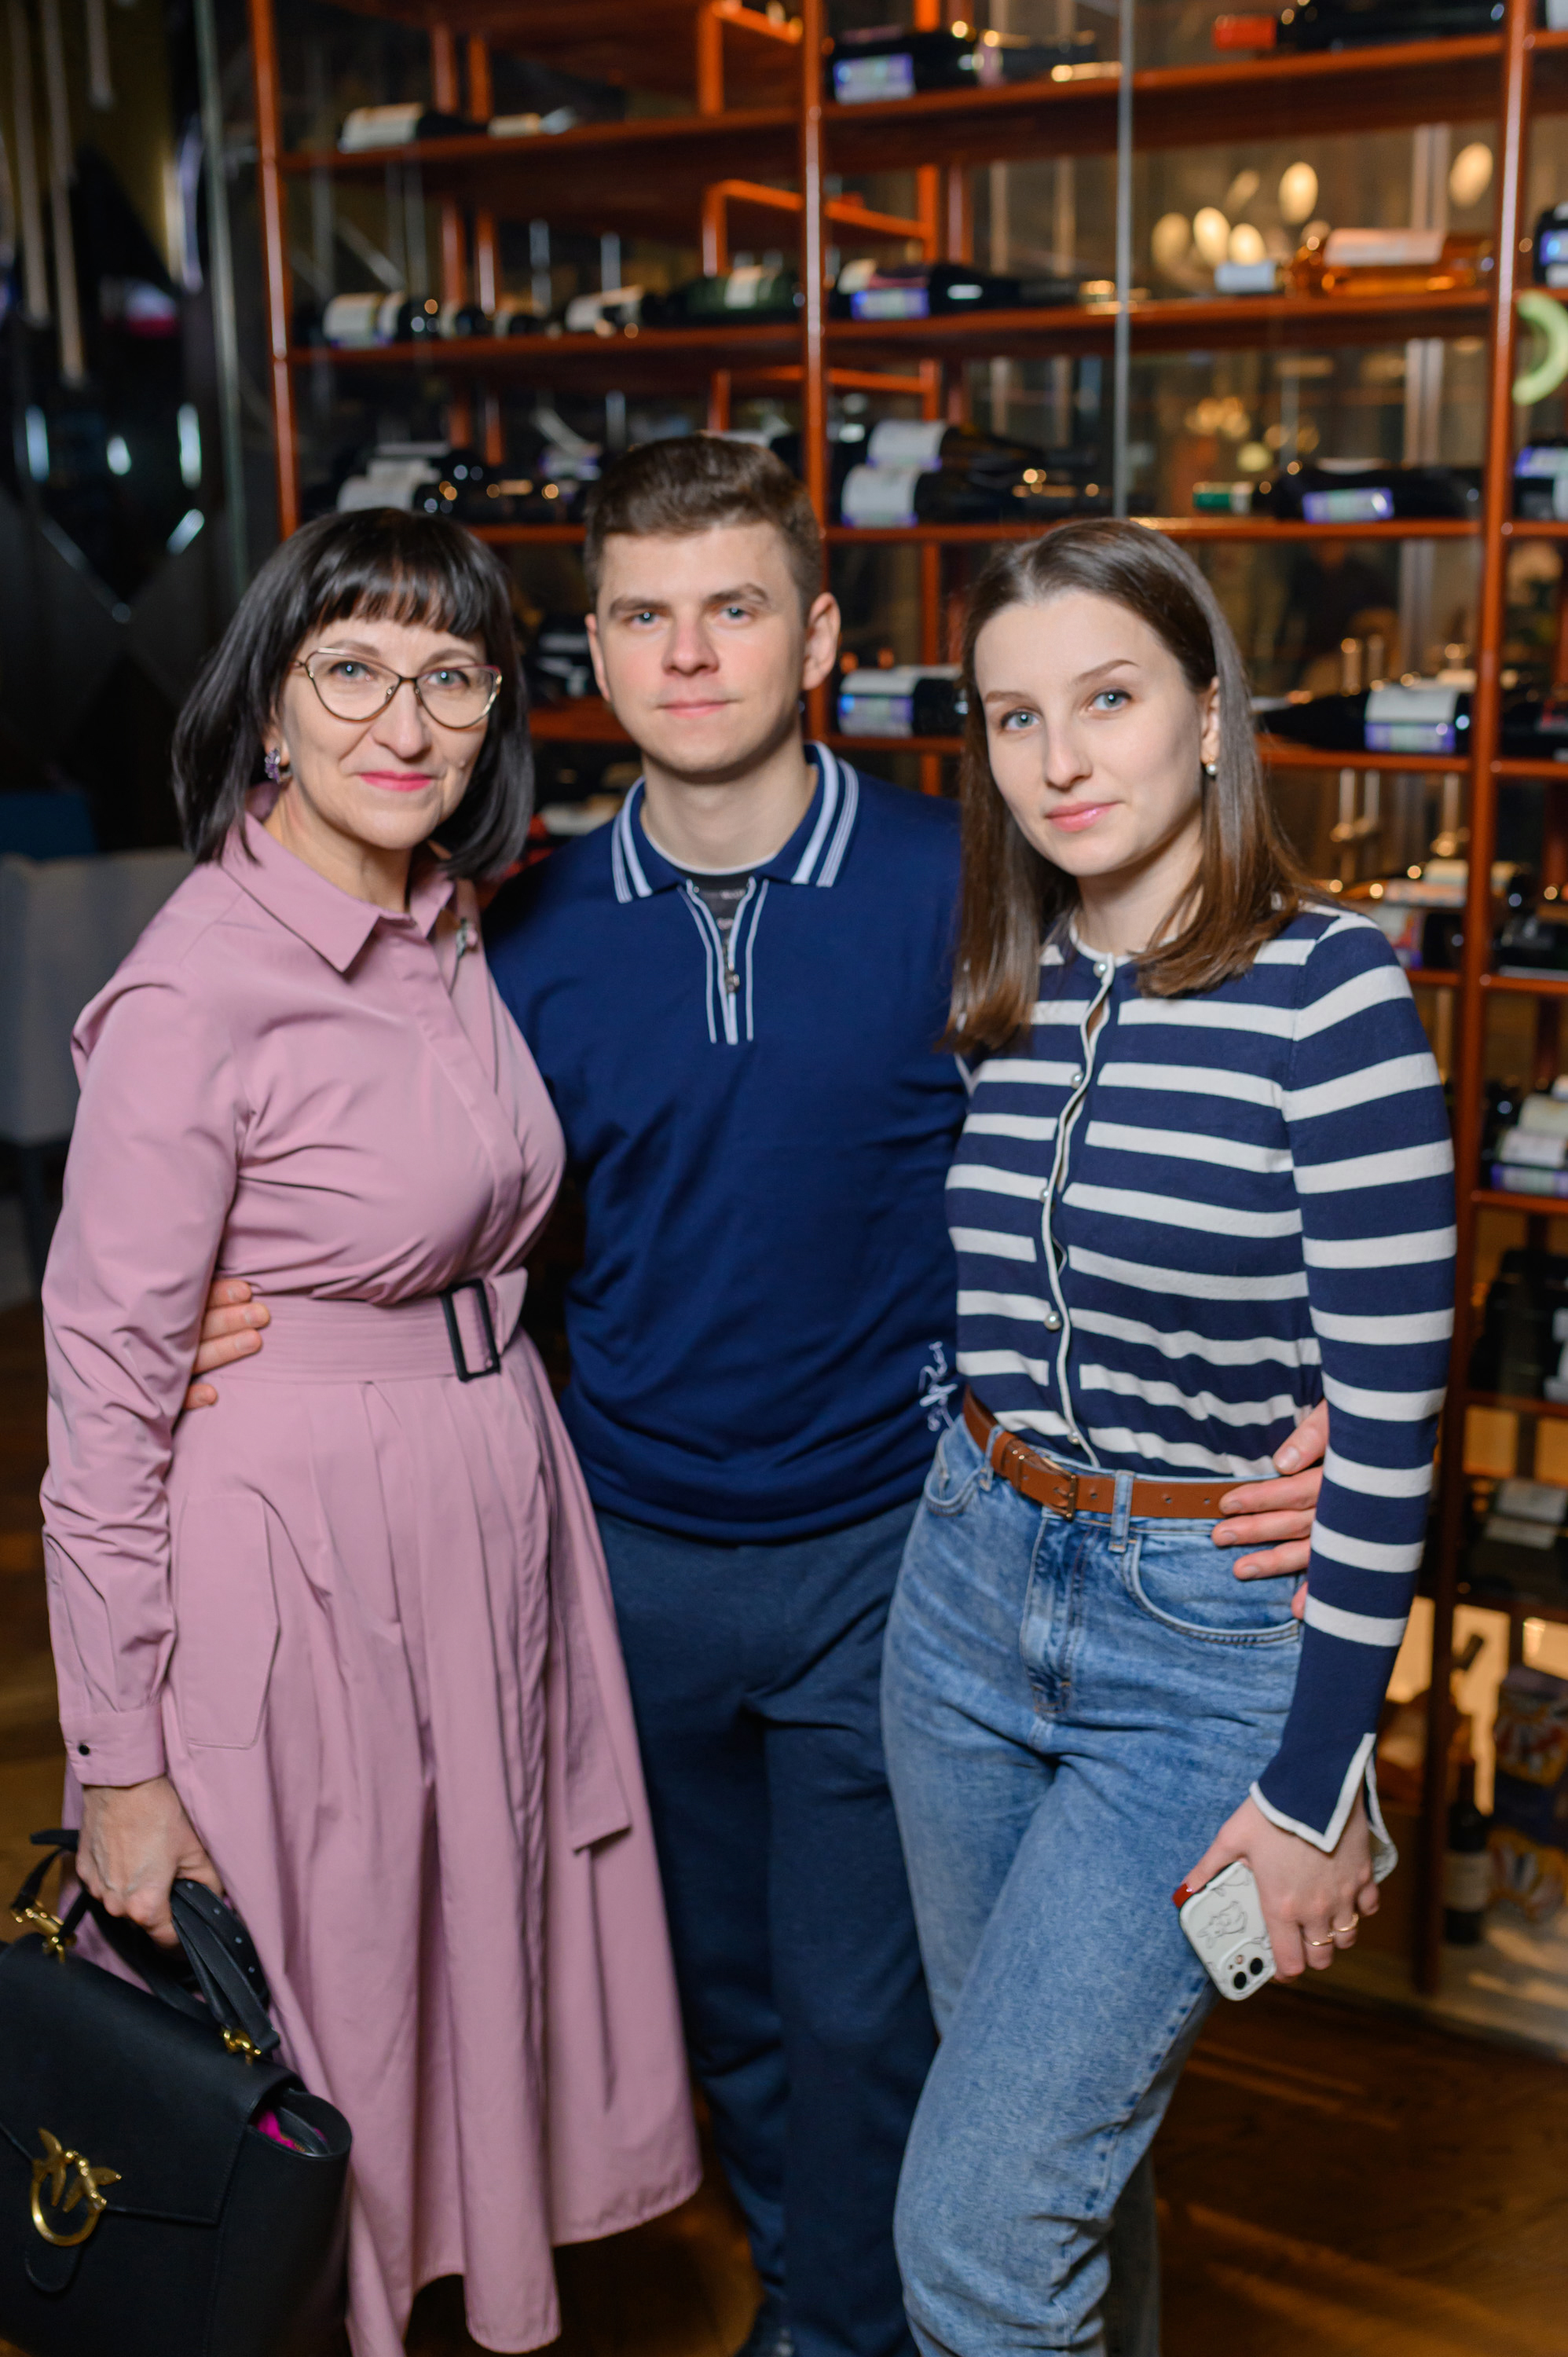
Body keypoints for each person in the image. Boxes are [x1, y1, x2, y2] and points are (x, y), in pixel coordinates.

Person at [184, 451, 1331, 2357]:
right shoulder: (509, 926)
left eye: (733, 608)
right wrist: (242, 1291)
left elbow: (1167, 1127)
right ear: (593, 649)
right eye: (644, 614)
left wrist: (1301, 1403)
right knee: (709, 2001)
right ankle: (818, 2295)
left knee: (866, 2016)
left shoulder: (965, 877)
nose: (689, 652)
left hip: (894, 1555)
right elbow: (384, 1158)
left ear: (814, 637)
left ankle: (837, 2329)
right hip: (616, 1549)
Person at [38, 511, 698, 2357]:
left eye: (450, 678)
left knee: (449, 1957)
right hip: (301, 1560)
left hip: (482, 1514)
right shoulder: (195, 988)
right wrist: (120, 1768)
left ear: (494, 711)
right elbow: (101, 1404)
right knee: (317, 2008)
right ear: (268, 706)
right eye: (351, 670)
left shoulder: (443, 924)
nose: (401, 723)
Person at [880, 519, 1455, 2357]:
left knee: (976, 2230)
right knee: (1056, 2166)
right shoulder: (1005, 985)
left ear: (1207, 714)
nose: (1058, 758)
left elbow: (1387, 1434)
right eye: (1013, 716)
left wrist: (1312, 1782)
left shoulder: (1329, 994)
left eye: (1107, 699)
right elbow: (986, 1297)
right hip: (961, 1606)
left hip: (1195, 1648)